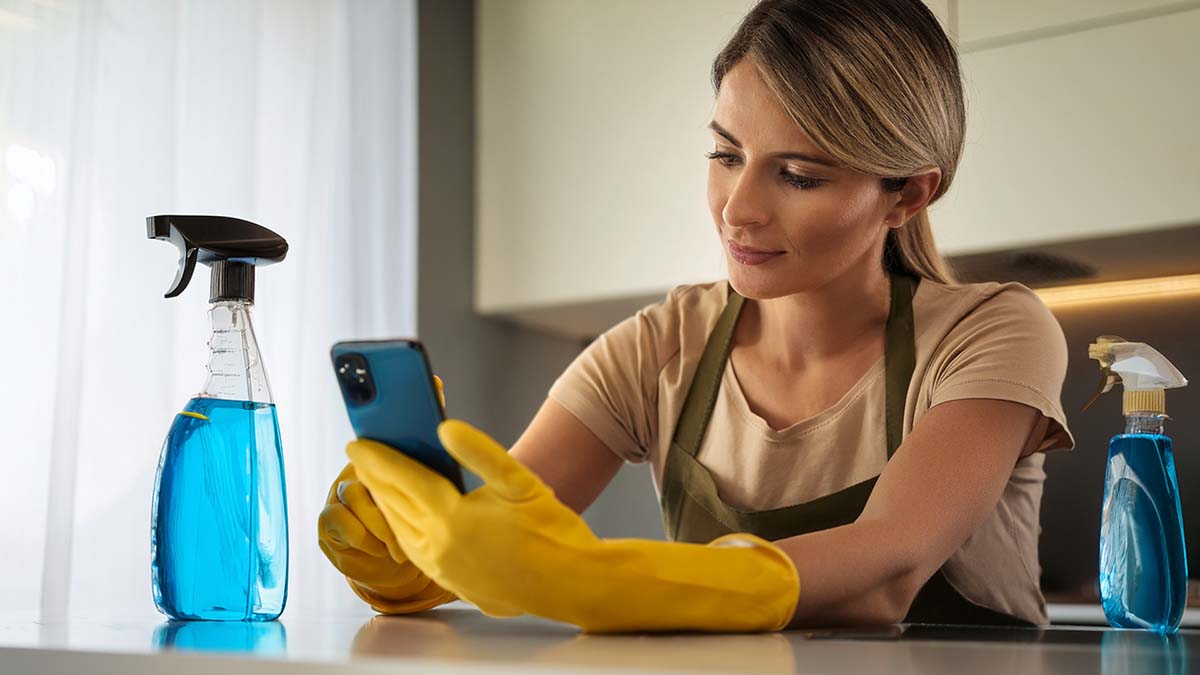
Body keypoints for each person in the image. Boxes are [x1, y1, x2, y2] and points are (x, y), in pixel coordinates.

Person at [318, 0, 1074, 632]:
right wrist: (412, 555)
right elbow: (498, 528)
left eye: (799, 175)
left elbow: (888, 567)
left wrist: (596, 578)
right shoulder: (658, 347)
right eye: (725, 155)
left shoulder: (993, 332)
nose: (738, 209)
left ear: (907, 194)